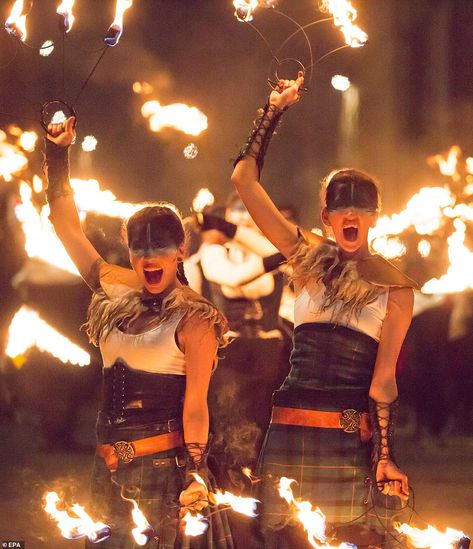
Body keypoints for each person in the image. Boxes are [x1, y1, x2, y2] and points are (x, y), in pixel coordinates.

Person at [231, 73, 417, 546]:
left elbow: (383, 382)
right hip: (289, 428)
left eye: (361, 210)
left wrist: (384, 454)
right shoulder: (305, 259)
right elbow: (242, 180)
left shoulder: (396, 289)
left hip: (345, 441)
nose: (351, 217)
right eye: (341, 210)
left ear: (375, 218)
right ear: (326, 219)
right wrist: (273, 111)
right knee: (279, 540)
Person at [43, 116, 234, 548]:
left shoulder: (195, 318)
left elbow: (197, 406)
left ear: (181, 249)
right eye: (139, 250)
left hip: (165, 474)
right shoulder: (114, 286)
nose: (149, 259)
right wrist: (58, 154)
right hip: (107, 466)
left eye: (160, 250)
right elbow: (65, 225)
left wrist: (197, 473)